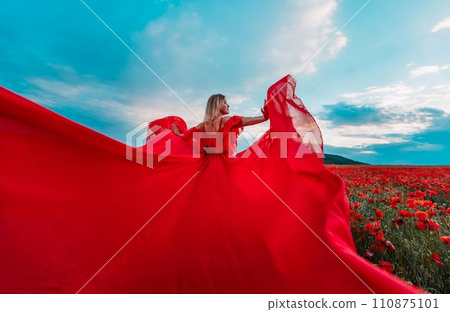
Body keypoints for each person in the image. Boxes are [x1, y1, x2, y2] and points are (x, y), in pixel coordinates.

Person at [0, 75, 425, 294]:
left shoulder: (205, 124)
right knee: (232, 225)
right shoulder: (227, 120)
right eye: (225, 102)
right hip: (221, 175)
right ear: (220, 105)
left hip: (203, 176)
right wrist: (271, 112)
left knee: (203, 226)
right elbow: (257, 122)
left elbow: (189, 139)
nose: (228, 106)